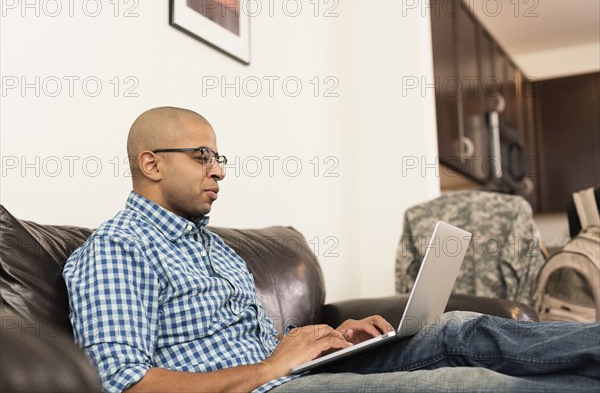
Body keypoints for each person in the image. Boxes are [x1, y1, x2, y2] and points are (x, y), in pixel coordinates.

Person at [63, 107, 600, 393]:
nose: (219, 169)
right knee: (473, 385)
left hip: (294, 372)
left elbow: (245, 341)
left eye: (219, 155)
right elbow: (127, 385)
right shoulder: (116, 251)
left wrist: (324, 340)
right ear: (151, 163)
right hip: (264, 391)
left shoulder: (213, 245)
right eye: (203, 156)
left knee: (457, 329)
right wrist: (274, 366)